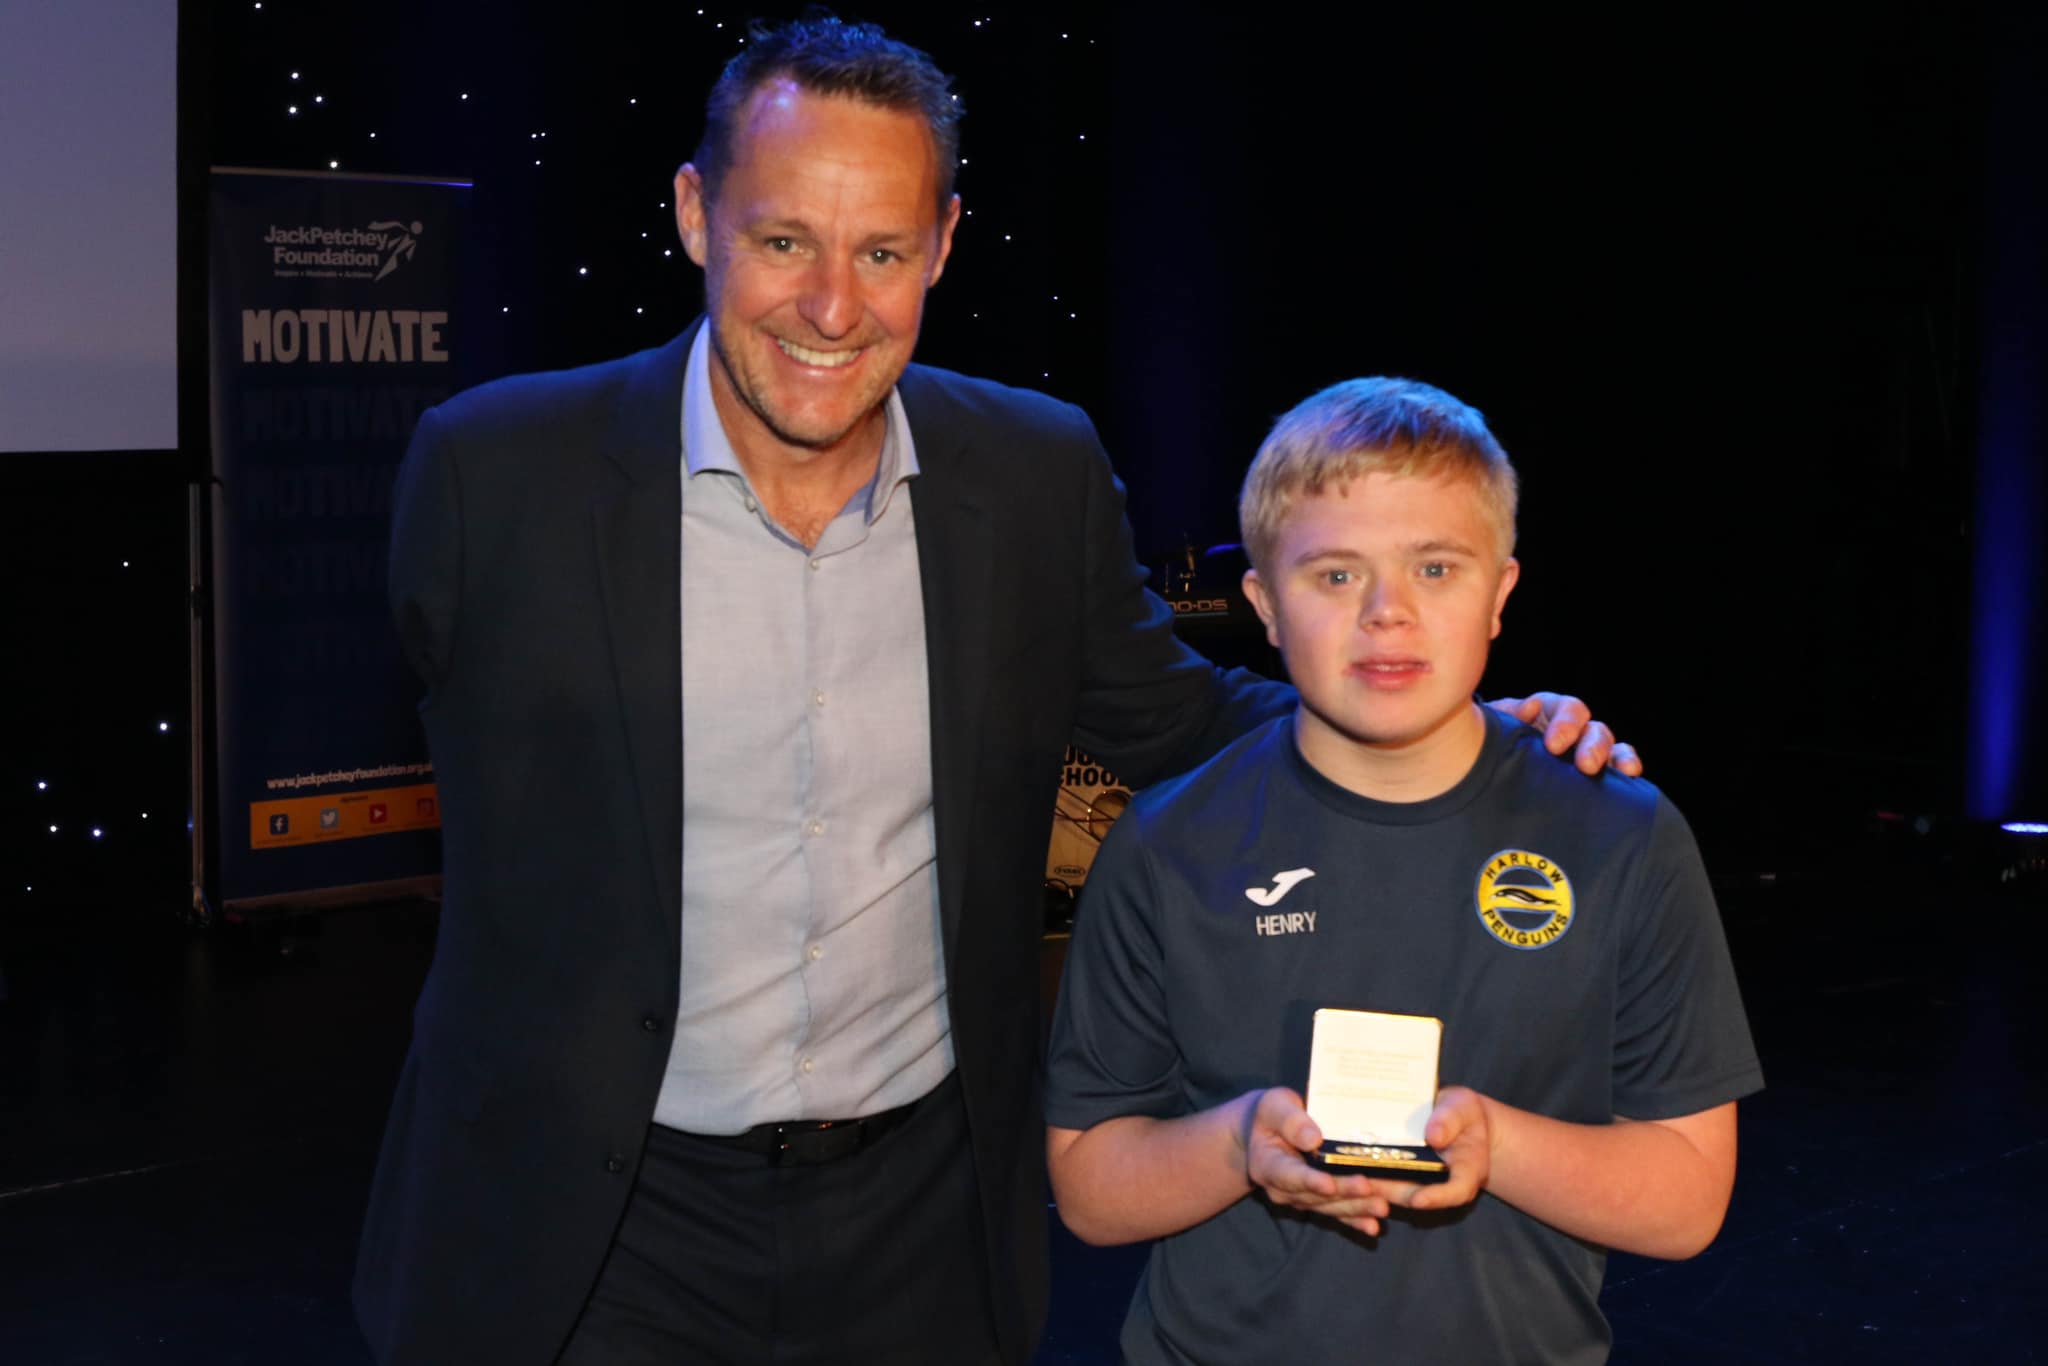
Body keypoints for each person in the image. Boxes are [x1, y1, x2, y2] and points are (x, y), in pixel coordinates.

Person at [353, 20, 1633, 1366]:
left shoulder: (1030, 475)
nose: (831, 308)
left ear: (944, 243)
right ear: (692, 214)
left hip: (918, 1226)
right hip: (587, 1232)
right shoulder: (495, 477)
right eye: (784, 241)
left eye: (882, 252)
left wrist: (1455, 734)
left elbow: (1185, 723)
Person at [1044, 376, 1762, 1364]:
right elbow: (1089, 1187)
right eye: (1335, 575)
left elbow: (1685, 1202)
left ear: (1499, 594)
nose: (1388, 612)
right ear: (1264, 605)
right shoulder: (1166, 845)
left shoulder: (1620, 837)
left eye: (1434, 567)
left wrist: (1498, 1145)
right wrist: (1237, 1143)